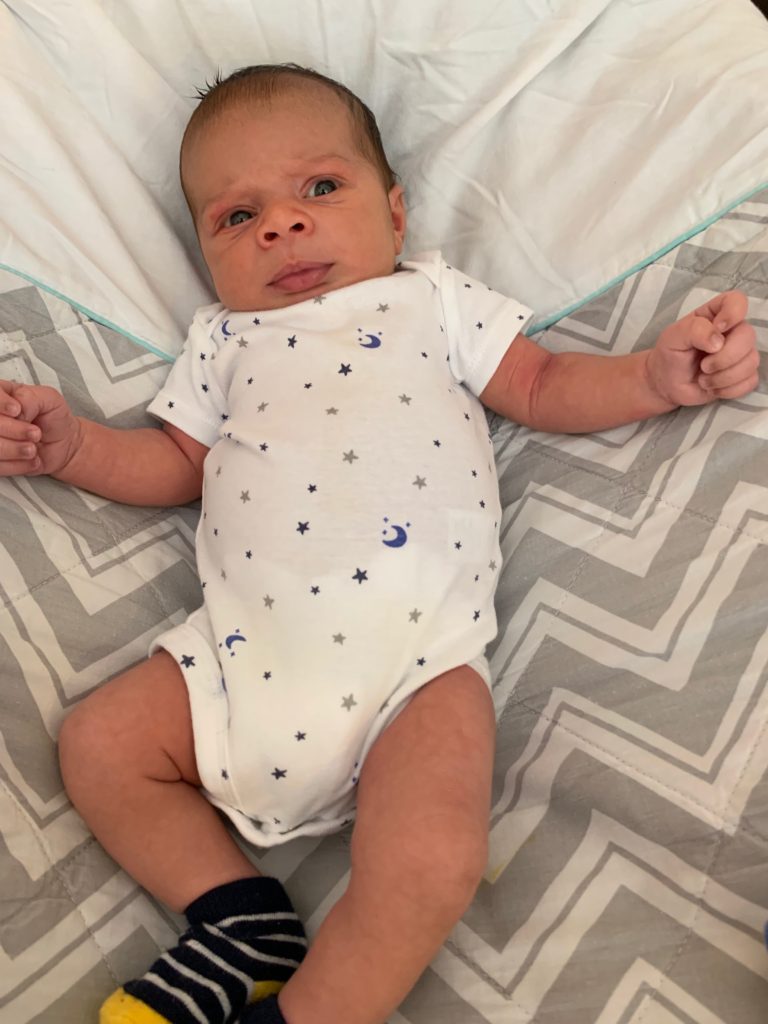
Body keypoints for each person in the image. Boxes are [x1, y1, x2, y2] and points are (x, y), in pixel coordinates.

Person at [0, 64, 758, 1024]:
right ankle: (236, 917)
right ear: (205, 254)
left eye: (320, 188)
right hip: (240, 658)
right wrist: (72, 447)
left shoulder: (431, 299)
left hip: (417, 668)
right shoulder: (221, 342)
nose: (282, 225)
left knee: (431, 860)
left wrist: (652, 378)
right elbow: (176, 465)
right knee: (99, 746)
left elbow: (540, 385)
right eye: (238, 216)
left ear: (395, 214)